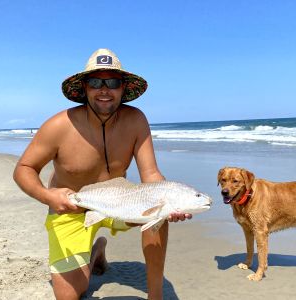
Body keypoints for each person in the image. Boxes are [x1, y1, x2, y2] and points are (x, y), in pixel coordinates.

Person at [13, 48, 191, 300]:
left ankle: (155, 296)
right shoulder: (58, 126)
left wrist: (171, 201)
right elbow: (24, 169)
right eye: (96, 82)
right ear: (84, 88)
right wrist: (48, 197)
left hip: (120, 203)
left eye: (112, 82)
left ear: (123, 88)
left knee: (158, 214)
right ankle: (96, 251)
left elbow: (150, 174)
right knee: (74, 294)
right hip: (71, 209)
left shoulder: (136, 120)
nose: (104, 90)